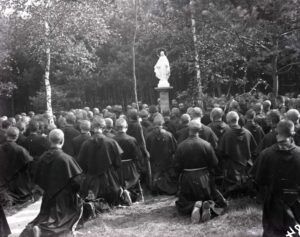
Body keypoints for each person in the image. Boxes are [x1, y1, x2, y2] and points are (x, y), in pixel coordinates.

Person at [20, 129, 83, 237]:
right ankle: (42, 230)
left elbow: (36, 179)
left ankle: (37, 227)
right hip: (64, 198)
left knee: (45, 216)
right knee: (65, 219)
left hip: (48, 197)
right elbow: (77, 182)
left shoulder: (42, 157)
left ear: (49, 140)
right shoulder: (66, 159)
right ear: (62, 140)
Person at [175, 120, 227, 223]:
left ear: (188, 130)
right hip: (204, 178)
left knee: (183, 202)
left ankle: (193, 206)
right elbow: (214, 163)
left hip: (187, 178)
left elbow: (176, 166)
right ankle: (205, 205)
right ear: (200, 130)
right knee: (212, 198)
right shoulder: (206, 145)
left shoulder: (181, 146)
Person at [255, 120, 300, 237]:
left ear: (277, 133)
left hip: (273, 203)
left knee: (273, 233)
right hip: (296, 202)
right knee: (295, 232)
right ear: (293, 134)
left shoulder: (266, 154)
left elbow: (258, 180)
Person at [77, 118, 124, 206]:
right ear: (103, 128)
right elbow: (118, 163)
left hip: (92, 182)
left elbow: (81, 163)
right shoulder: (112, 142)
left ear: (92, 128)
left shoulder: (85, 144)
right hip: (110, 183)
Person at [218, 111, 256, 196]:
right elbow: (254, 150)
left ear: (228, 121)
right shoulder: (247, 133)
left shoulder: (227, 135)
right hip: (246, 167)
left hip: (232, 169)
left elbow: (221, 152)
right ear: (237, 119)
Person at [0, 127, 34, 204]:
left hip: (3, 180)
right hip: (18, 183)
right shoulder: (20, 150)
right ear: (17, 136)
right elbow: (29, 163)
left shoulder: (1, 148)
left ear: (6, 135)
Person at [114, 118, 143, 204]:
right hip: (130, 165)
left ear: (116, 128)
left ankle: (123, 194)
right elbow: (137, 155)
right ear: (126, 127)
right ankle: (129, 193)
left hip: (118, 166)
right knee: (133, 180)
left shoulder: (112, 139)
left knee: (119, 182)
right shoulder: (131, 139)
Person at [146, 115, 177, 195]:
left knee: (158, 176)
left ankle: (157, 189)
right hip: (164, 161)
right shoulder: (169, 135)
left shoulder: (149, 136)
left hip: (157, 161)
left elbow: (146, 149)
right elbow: (174, 149)